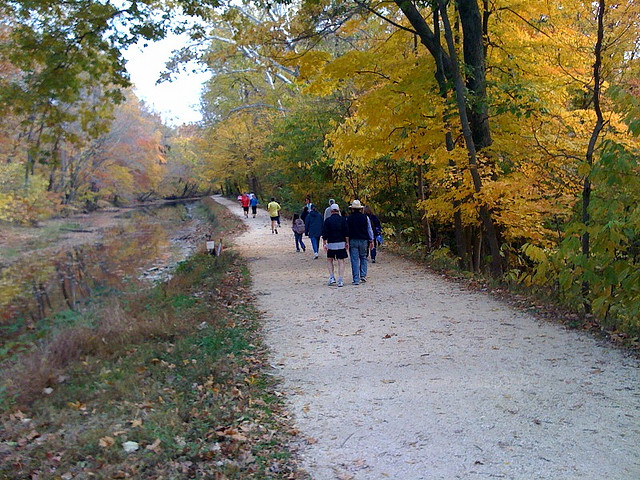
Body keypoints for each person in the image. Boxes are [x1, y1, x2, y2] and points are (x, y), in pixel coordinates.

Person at [346, 199, 373, 285]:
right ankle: (363, 275)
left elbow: (346, 230)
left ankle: (356, 279)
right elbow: (369, 229)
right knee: (363, 257)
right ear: (360, 209)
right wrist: (371, 240)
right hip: (363, 240)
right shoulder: (365, 217)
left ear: (352, 209)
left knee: (354, 260)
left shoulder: (349, 218)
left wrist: (346, 241)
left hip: (353, 240)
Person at [322, 203, 349, 287]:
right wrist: (347, 242)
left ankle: (332, 277)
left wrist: (324, 243)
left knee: (330, 260)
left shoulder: (328, 220)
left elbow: (325, 233)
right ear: (338, 210)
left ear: (331, 211)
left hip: (331, 243)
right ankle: (340, 279)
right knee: (341, 261)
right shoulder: (343, 220)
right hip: (341, 243)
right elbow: (346, 232)